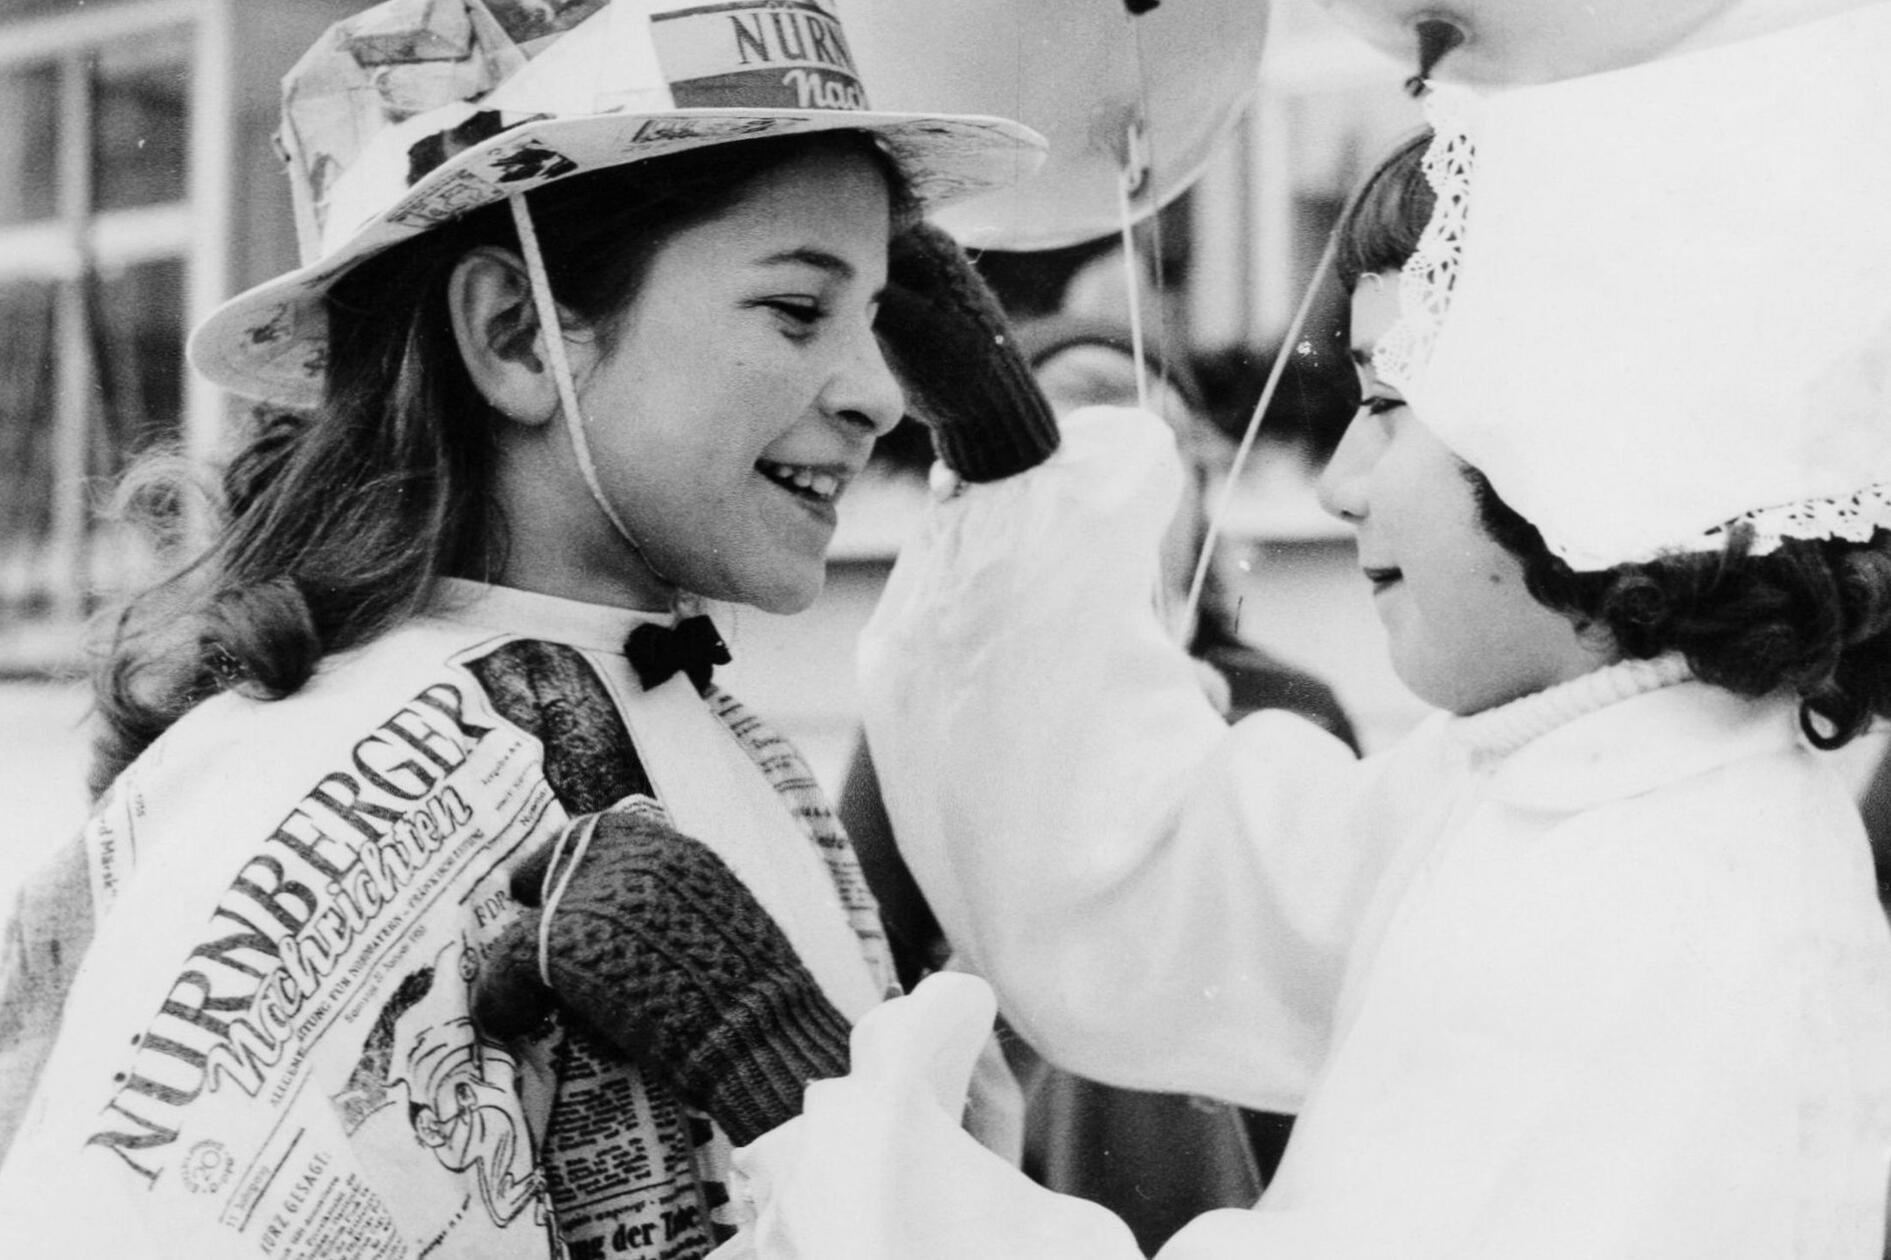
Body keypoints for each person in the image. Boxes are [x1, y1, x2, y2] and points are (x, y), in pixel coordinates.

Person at [714, 8, 1891, 1257]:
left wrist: (808, 1111)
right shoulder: (1577, 790)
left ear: (1579, 433)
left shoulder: (1668, 907)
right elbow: (1161, 896)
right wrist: (1011, 461)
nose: (1337, 481)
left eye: (1388, 403)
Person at [0, 2, 1048, 1256]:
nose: (883, 395)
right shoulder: (317, 790)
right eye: (794, 309)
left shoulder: (706, 721)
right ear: (513, 335)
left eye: (875, 314)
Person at [837, 314, 1353, 1251]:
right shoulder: (933, 718)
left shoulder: (1292, 703)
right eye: (1081, 461)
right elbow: (870, 968)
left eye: (1152, 460)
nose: (1123, 502)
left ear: (1199, 489)